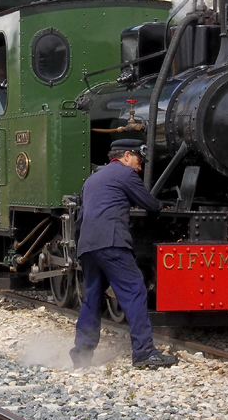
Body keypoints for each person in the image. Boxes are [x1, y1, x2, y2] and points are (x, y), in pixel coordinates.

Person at [70, 139, 178, 369]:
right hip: (111, 241)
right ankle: (144, 352)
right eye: (139, 161)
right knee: (135, 290)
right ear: (127, 155)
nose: (140, 168)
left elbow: (81, 217)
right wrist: (165, 206)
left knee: (93, 298)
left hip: (88, 245)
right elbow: (151, 204)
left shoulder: (92, 179)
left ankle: (81, 354)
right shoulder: (125, 174)